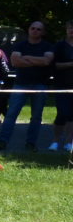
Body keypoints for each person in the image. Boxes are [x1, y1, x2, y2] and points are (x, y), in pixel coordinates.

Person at [0, 21, 54, 151]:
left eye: (38, 29)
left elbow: (46, 61)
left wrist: (26, 58)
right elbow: (15, 62)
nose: (35, 31)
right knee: (11, 114)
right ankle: (2, 141)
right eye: (33, 28)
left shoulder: (48, 46)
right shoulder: (20, 45)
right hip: (20, 84)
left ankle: (31, 143)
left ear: (43, 32)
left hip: (40, 85)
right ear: (29, 30)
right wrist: (36, 61)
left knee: (36, 116)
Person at [48, 20, 73, 152]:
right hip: (62, 84)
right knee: (62, 113)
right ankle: (55, 140)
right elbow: (55, 65)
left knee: (72, 115)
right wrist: (70, 64)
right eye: (69, 28)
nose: (71, 31)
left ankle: (69, 142)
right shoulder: (59, 46)